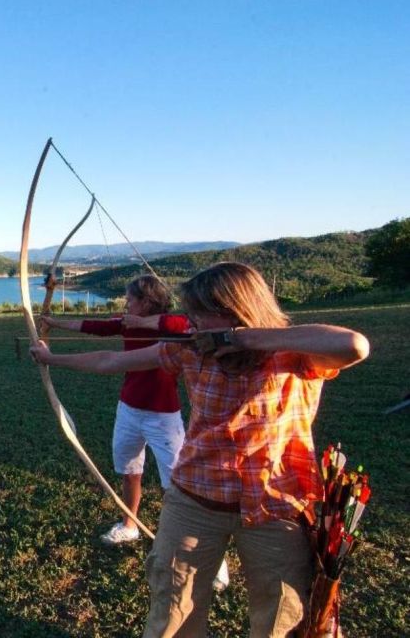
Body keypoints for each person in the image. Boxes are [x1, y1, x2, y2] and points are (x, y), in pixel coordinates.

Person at [30, 262, 370, 637]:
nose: (188, 325)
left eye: (197, 316)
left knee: (283, 618)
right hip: (195, 498)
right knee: (173, 606)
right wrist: (52, 359)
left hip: (275, 507)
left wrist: (243, 339)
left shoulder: (293, 353)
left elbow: (354, 345)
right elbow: (113, 360)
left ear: (232, 310)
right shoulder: (191, 350)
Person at [40, 275, 189, 546]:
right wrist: (54, 323)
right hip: (129, 410)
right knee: (129, 471)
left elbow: (186, 325)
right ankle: (129, 525)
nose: (126, 304)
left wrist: (142, 323)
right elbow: (92, 326)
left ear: (146, 302)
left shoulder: (172, 326)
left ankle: (203, 549)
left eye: (131, 299)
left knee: (179, 484)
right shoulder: (126, 323)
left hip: (163, 416)